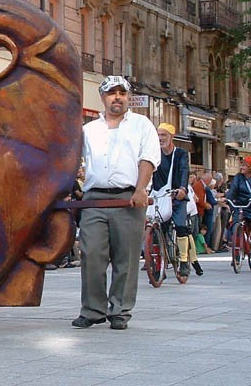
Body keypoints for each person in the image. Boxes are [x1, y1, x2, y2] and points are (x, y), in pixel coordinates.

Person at [72, 75, 160, 330]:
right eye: (112, 93)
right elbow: (72, 160)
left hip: (128, 199)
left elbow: (148, 158)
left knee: (126, 257)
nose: (117, 97)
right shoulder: (89, 130)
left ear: (128, 97)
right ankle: (92, 310)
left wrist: (141, 188)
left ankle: (120, 310)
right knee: (91, 254)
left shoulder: (141, 125)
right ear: (103, 98)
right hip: (94, 199)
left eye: (122, 93)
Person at [150, 123, 202, 279]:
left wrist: (182, 189)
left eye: (163, 135)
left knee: (180, 226)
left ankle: (184, 262)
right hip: (161, 196)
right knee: (156, 229)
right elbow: (148, 171)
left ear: (171, 136)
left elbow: (184, 171)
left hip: (177, 195)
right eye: (158, 135)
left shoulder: (180, 154)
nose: (160, 138)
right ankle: (159, 265)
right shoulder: (154, 154)